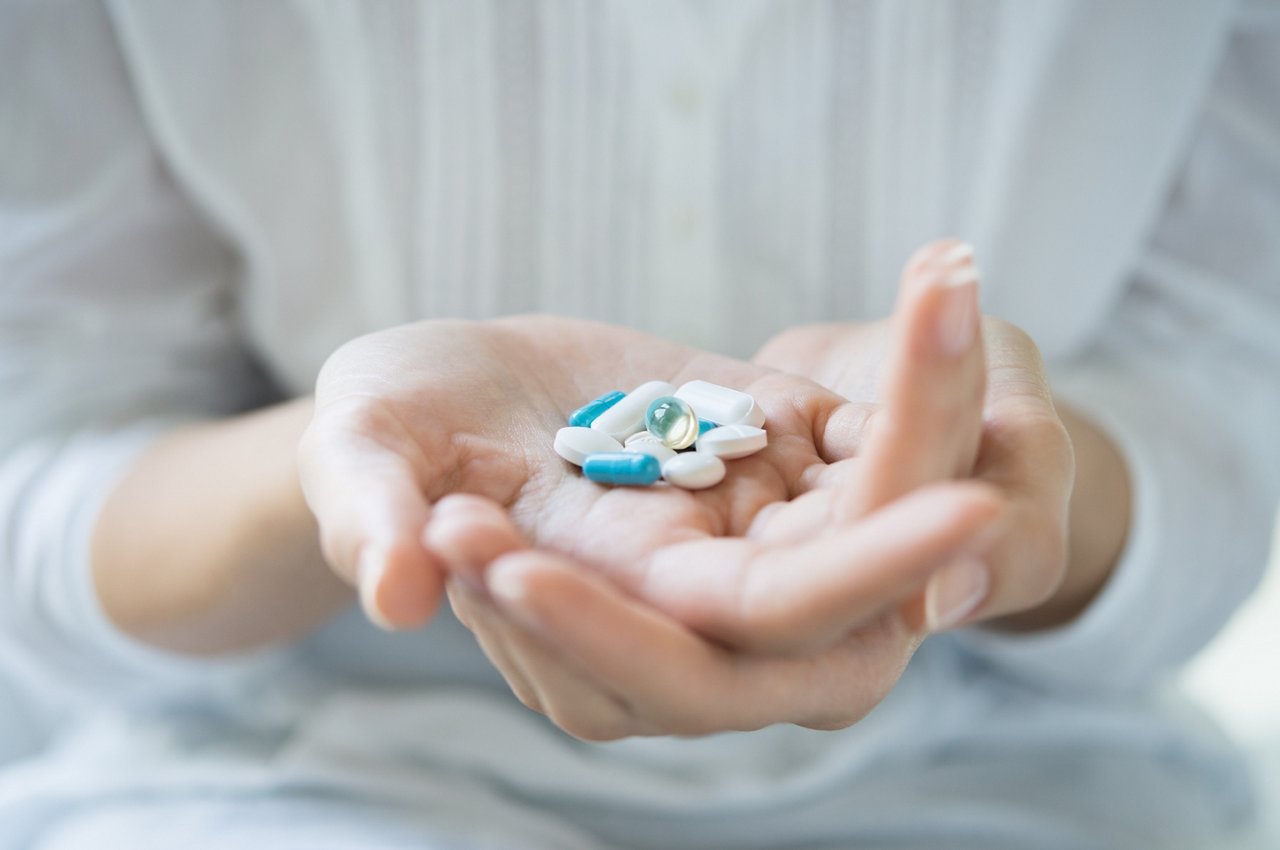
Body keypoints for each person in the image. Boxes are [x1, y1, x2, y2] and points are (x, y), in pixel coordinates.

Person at [1, 2, 1277, 848]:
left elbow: (1215, 417)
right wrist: (341, 469)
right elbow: (44, 481)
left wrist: (1009, 488)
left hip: (1020, 786)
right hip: (287, 780)